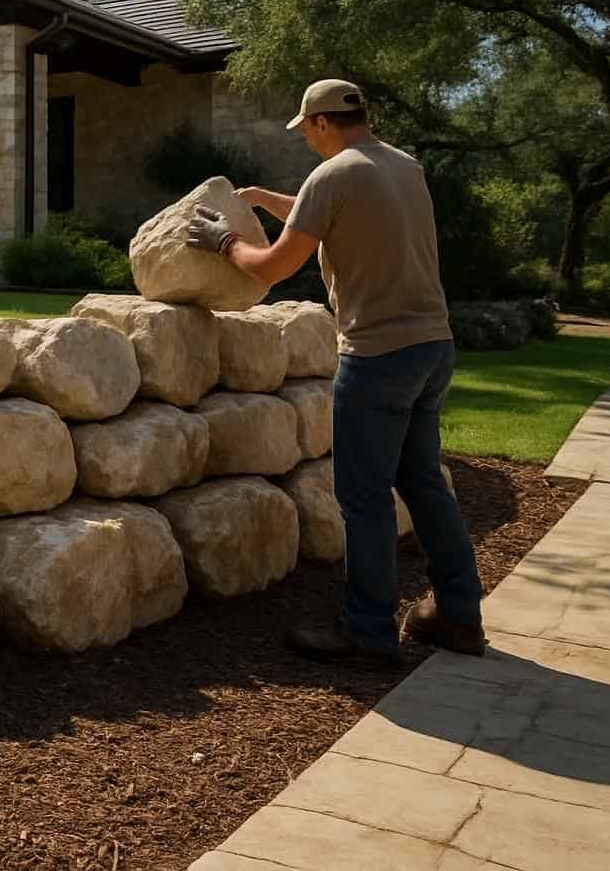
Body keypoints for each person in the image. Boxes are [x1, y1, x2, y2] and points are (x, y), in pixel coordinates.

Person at [185, 78, 485, 662]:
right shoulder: (402, 166)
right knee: (423, 482)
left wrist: (224, 241)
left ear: (321, 122)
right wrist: (264, 199)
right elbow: (329, 214)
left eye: (306, 129)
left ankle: (367, 631)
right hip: (432, 348)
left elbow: (272, 267)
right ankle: (458, 615)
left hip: (377, 357)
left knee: (364, 497)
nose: (306, 139)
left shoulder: (333, 175)